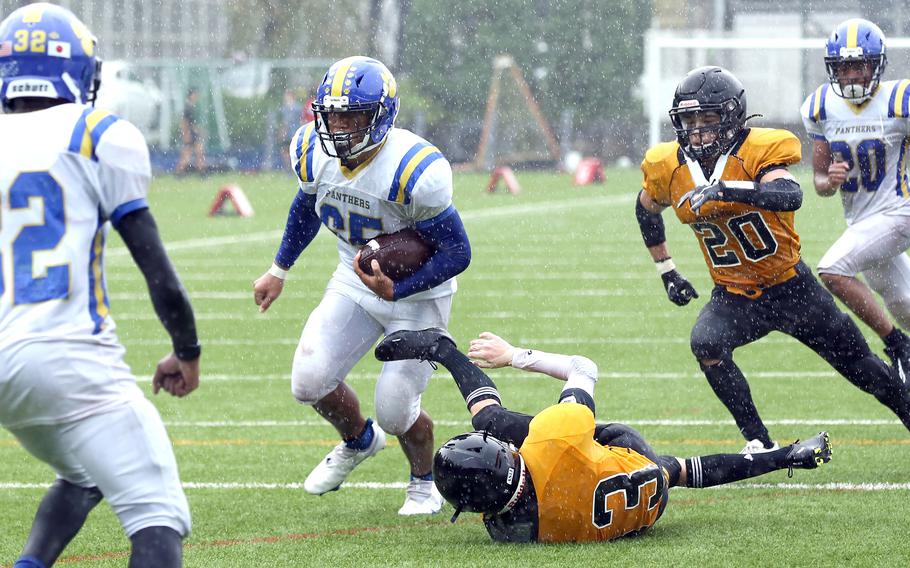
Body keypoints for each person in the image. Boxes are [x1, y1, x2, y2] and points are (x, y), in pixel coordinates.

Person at [0, 4, 201, 567]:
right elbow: (155, 266)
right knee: (158, 516)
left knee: (85, 470)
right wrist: (187, 349)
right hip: (68, 359)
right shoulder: (96, 133)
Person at [634, 65, 910, 454]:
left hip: (791, 287)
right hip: (735, 294)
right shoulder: (669, 166)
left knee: (861, 367)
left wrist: (727, 190)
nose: (697, 129)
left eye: (708, 118)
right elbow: (646, 209)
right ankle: (759, 441)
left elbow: (788, 195)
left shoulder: (758, 149)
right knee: (706, 343)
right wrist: (668, 272)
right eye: (689, 120)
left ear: (731, 117)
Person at [252, 56, 471, 515]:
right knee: (308, 381)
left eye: (352, 115)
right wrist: (279, 269)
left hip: (419, 297)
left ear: (381, 115)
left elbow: (457, 252)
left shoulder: (413, 169)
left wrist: (401, 287)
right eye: (331, 115)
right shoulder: (313, 151)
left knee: (395, 407)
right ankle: (358, 440)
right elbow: (308, 205)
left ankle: (422, 483)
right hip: (352, 280)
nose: (339, 126)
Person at [373, 328, 832, 543]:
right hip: (627, 457)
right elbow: (583, 368)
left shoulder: (511, 532)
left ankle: (784, 455)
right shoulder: (552, 441)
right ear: (506, 459)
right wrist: (514, 355)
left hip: (647, 504)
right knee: (494, 421)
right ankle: (444, 350)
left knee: (676, 471)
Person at [800, 18, 910, 379]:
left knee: (832, 268)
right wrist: (828, 179)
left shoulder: (899, 98)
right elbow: (819, 181)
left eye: (858, 65)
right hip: (862, 223)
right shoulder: (819, 106)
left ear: (876, 64)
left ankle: (897, 347)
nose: (850, 75)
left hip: (899, 211)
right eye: (843, 67)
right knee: (904, 305)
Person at [175, 88, 206, 174]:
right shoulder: (188, 108)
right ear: (191, 96)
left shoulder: (190, 107)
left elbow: (190, 123)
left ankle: (201, 171)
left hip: (192, 133)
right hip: (190, 134)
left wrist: (198, 130)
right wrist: (186, 134)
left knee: (196, 152)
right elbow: (184, 122)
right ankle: (200, 171)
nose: (196, 97)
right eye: (195, 94)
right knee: (189, 153)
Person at [279, 89, 302, 169]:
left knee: (292, 150)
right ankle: (289, 168)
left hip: (293, 132)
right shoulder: (284, 108)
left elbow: (288, 121)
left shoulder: (296, 108)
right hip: (290, 132)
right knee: (285, 150)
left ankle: (292, 168)